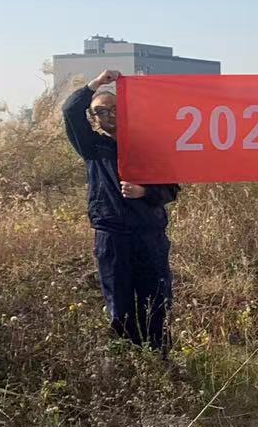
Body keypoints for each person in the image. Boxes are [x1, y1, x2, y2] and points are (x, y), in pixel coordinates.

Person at [61, 70, 180, 352]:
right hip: (112, 235)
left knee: (156, 300)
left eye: (114, 108)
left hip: (149, 234)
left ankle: (160, 359)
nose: (109, 115)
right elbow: (70, 110)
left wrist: (145, 192)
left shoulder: (148, 147)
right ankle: (127, 360)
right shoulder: (93, 147)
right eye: (100, 111)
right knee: (119, 302)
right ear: (94, 118)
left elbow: (172, 189)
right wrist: (97, 83)